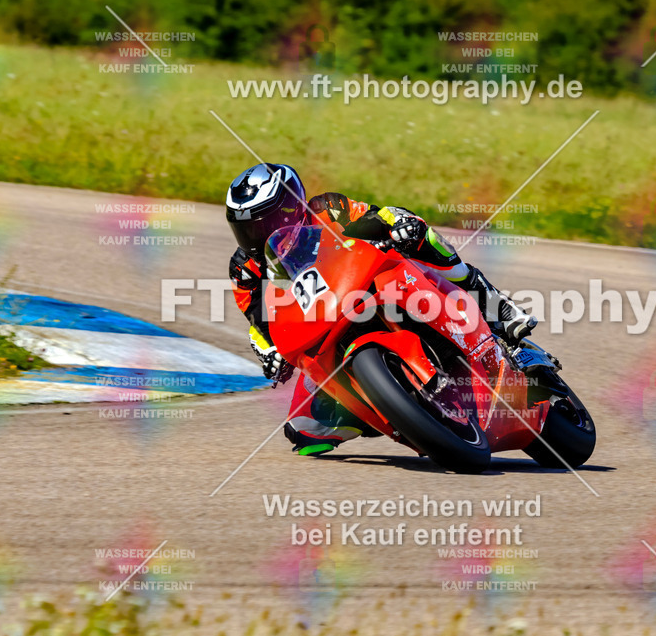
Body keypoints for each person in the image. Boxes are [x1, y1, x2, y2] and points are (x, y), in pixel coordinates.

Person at [226, 162, 536, 455]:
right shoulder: (245, 268)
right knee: (302, 428)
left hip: (374, 284)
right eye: (246, 229)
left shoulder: (326, 209)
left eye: (263, 223)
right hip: (325, 325)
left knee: (421, 239)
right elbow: (260, 320)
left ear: (290, 208)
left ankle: (495, 306)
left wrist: (398, 225)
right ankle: (383, 407)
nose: (256, 235)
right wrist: (268, 350)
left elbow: (375, 217)